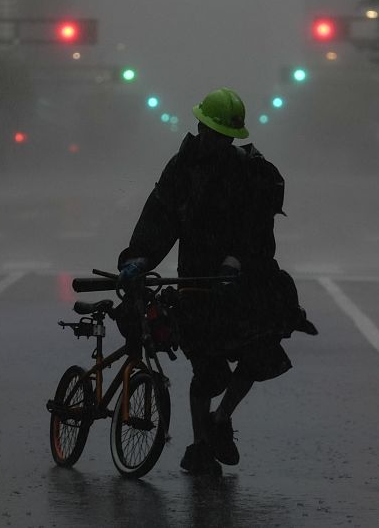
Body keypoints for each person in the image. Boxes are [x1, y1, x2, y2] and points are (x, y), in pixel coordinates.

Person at [116, 87, 317, 476]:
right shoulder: (182, 167)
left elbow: (257, 229)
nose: (217, 141)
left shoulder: (250, 174)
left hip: (241, 281)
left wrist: (237, 261)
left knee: (260, 349)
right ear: (200, 127)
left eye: (225, 136)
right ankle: (199, 446)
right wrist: (139, 257)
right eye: (213, 133)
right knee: (206, 369)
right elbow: (161, 215)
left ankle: (221, 419)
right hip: (196, 282)